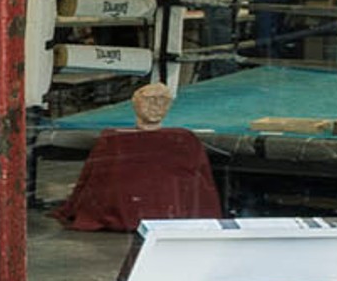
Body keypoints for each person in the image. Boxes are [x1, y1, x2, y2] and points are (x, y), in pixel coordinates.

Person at [64, 80, 222, 230]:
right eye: (150, 100)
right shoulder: (115, 141)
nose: (156, 106)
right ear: (136, 103)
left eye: (163, 101)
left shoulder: (184, 140)